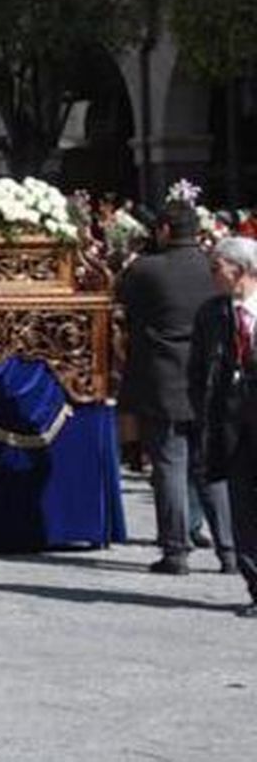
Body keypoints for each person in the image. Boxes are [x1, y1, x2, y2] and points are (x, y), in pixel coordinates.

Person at [118, 202, 234, 575]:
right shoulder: (212, 266)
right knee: (210, 468)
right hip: (208, 379)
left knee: (169, 466)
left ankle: (175, 550)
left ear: (164, 229)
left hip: (162, 378)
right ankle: (229, 551)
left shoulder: (146, 269)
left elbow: (123, 304)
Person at [192, 235, 257, 616]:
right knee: (242, 505)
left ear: (241, 271)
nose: (212, 276)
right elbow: (199, 369)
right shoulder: (212, 314)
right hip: (231, 423)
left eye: (217, 269)